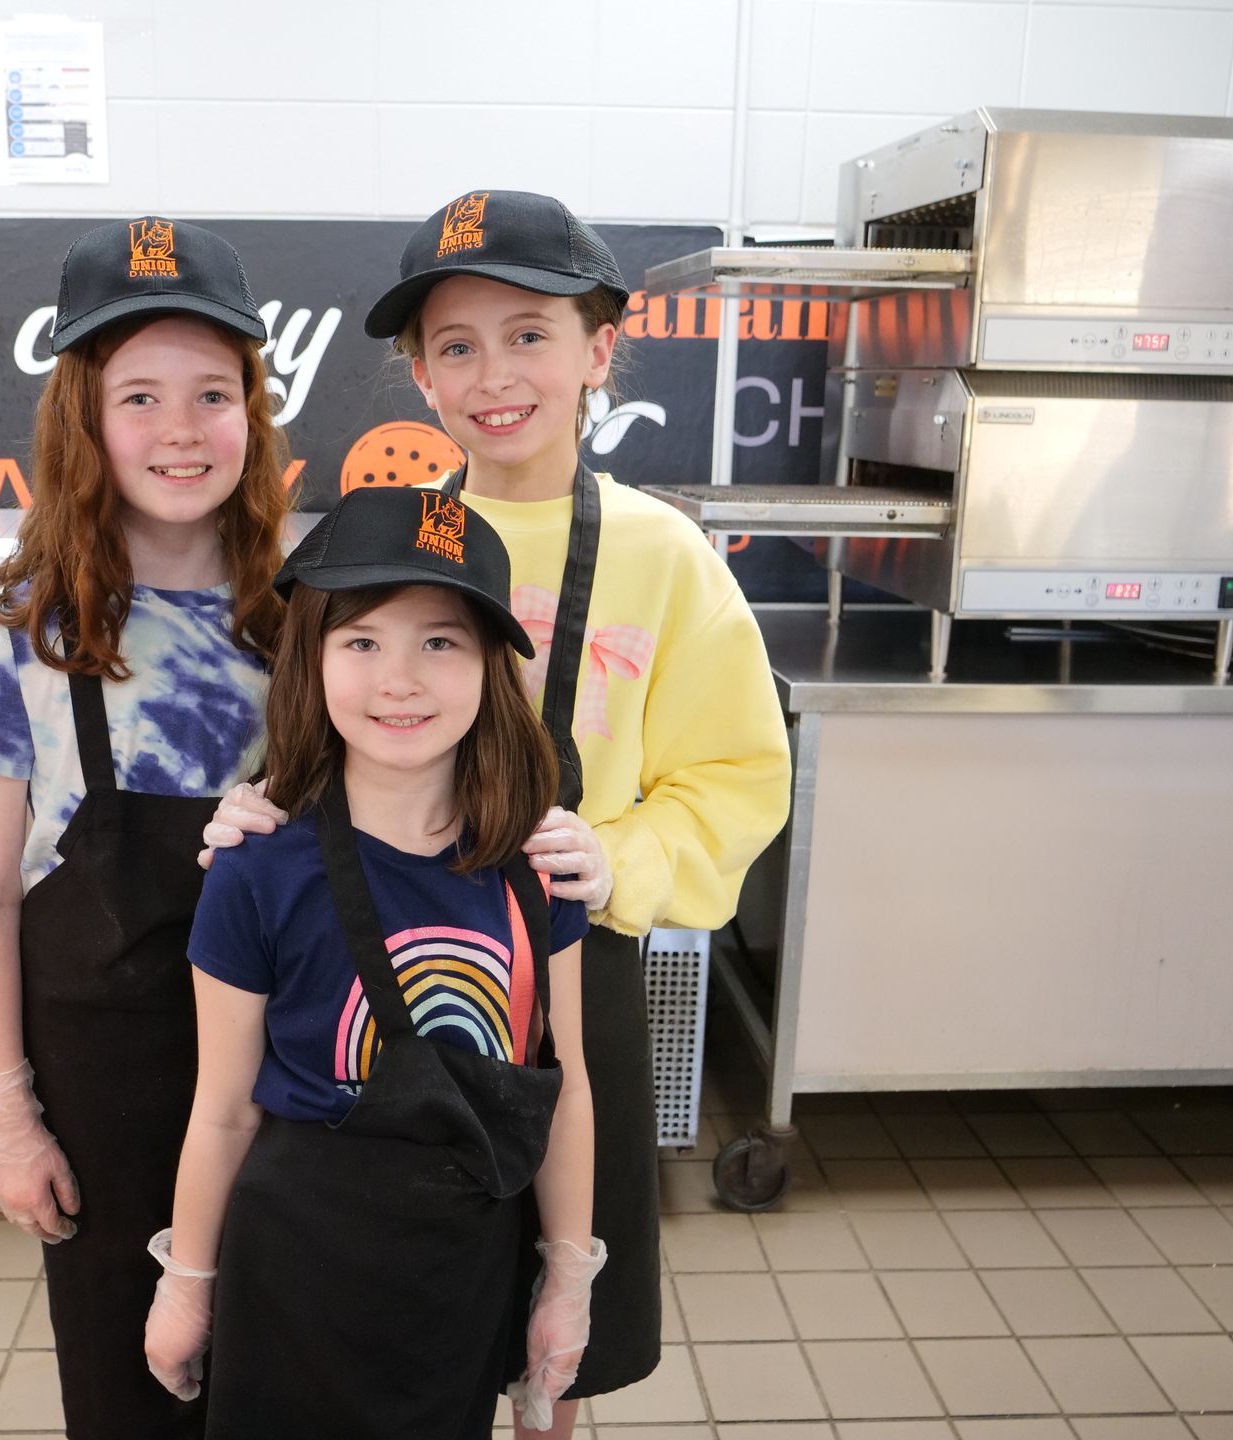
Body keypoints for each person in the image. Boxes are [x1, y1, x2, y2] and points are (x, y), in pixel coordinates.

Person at [205, 189, 793, 1438]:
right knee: (403, 1327)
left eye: (530, 334)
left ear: (600, 350)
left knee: (554, 1353)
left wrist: (612, 856)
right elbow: (314, 739)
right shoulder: (384, 544)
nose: (495, 375)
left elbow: (740, 778)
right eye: (455, 347)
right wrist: (248, 814)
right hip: (387, 981)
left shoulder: (667, 555)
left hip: (576, 969)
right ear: (419, 375)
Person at [144, 486, 605, 1438]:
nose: (400, 679)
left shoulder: (537, 870)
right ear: (312, 662)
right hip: (293, 1268)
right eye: (361, 642)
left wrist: (566, 1275)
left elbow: (568, 1089)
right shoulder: (256, 869)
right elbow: (221, 1107)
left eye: (440, 641)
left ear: (490, 667)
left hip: (463, 1267)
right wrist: (187, 1282)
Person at [0, 216, 288, 1440]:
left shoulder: (309, 615)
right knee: (126, 1385)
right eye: (140, 396)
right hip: (102, 1081)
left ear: (254, 410)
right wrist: (10, 1118)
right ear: (84, 420)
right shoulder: (24, 630)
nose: (181, 430)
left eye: (213, 393)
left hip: (288, 1072)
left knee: (286, 1366)